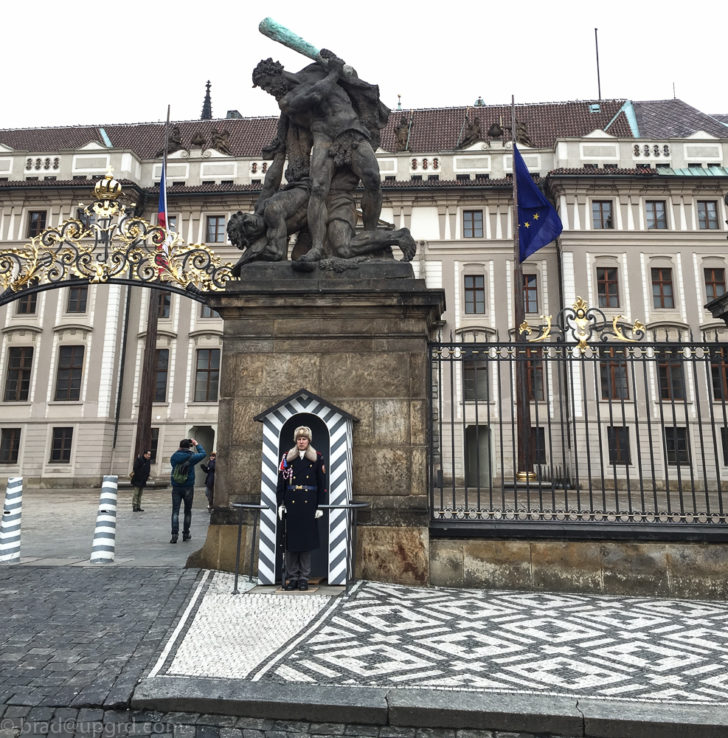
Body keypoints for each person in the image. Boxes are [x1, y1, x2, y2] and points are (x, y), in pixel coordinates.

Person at [252, 50, 387, 264]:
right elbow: (315, 95)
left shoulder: (316, 70)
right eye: (265, 89)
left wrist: (335, 63)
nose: (269, 91)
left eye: (268, 84)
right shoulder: (287, 101)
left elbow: (351, 76)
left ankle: (371, 233)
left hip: (351, 130)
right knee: (318, 188)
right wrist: (334, 73)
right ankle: (316, 247)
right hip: (324, 136)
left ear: (276, 73)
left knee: (373, 179)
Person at [276, 426, 326, 591]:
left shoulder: (317, 458)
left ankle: (304, 577)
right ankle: (292, 578)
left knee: (305, 543)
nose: (301, 442)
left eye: (304, 439)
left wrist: (319, 505)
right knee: (291, 543)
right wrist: (281, 503)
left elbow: (321, 484)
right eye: (299, 439)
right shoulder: (287, 458)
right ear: (295, 441)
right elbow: (281, 483)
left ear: (309, 441)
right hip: (291, 503)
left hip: (309, 504)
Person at [169, 438, 206, 543]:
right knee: (187, 511)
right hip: (188, 486)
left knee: (175, 512)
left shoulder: (174, 456)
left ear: (180, 446)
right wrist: (196, 444)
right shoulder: (192, 456)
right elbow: (203, 453)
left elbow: (173, 465)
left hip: (176, 486)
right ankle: (186, 533)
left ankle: (174, 535)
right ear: (189, 446)